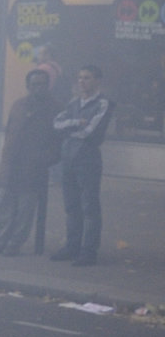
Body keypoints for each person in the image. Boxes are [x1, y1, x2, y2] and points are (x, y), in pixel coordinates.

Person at [0, 69, 58, 257]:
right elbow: (10, 132)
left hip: (33, 168)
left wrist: (43, 159)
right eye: (34, 84)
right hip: (11, 165)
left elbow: (58, 142)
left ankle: (14, 243)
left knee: (25, 209)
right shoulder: (18, 105)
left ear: (48, 86)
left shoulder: (55, 108)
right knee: (4, 205)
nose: (38, 88)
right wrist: (3, 163)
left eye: (42, 84)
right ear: (28, 86)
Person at [52, 65, 111, 265]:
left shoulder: (104, 103)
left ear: (97, 80)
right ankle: (72, 246)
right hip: (68, 158)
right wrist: (77, 123)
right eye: (79, 77)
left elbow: (91, 132)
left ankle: (88, 251)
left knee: (89, 207)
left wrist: (70, 127)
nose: (81, 81)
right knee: (71, 205)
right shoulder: (73, 103)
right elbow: (56, 124)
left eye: (86, 78)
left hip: (88, 160)